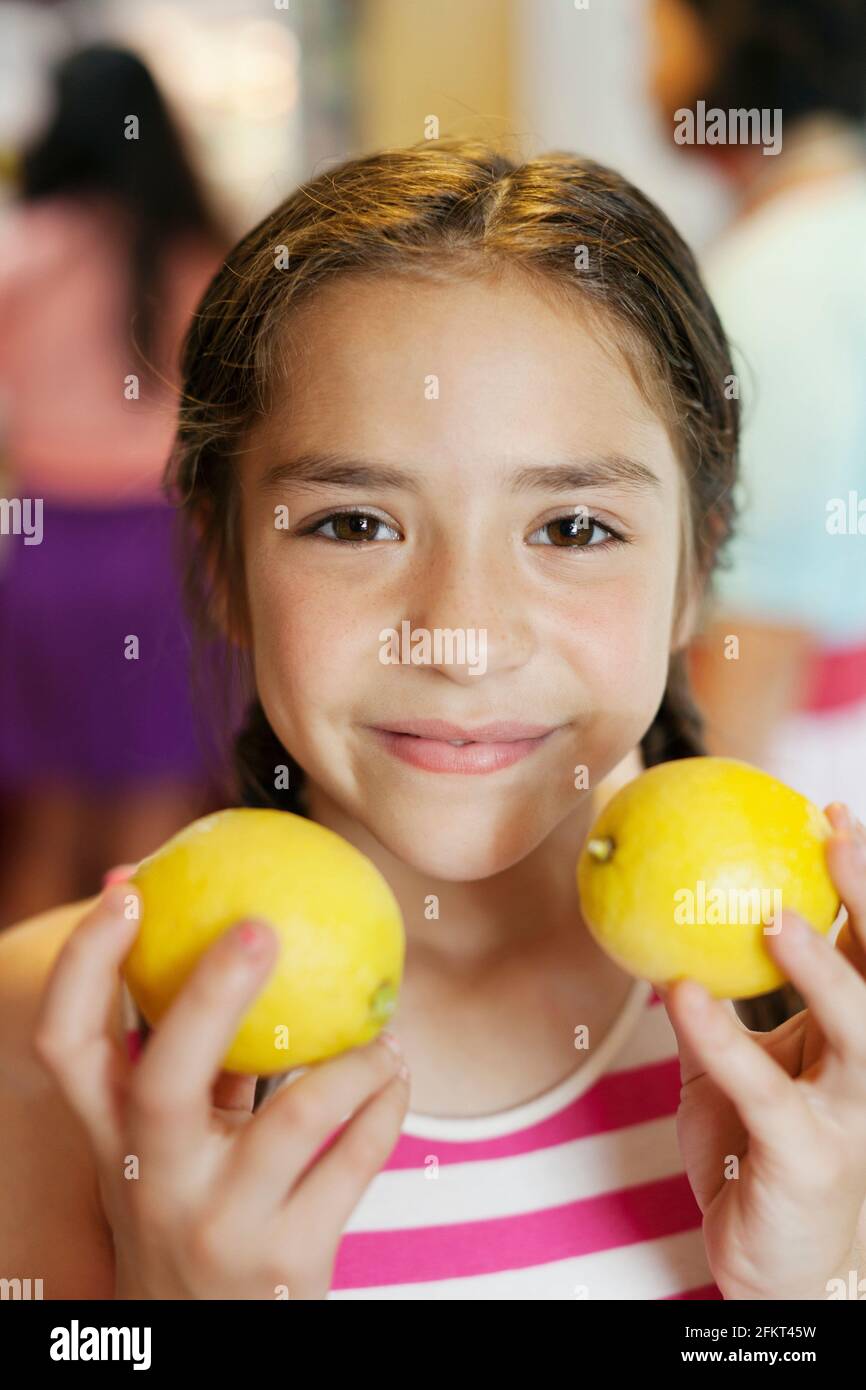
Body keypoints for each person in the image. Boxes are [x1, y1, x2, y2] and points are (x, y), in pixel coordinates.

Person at [1, 140, 865, 1301]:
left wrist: (809, 1292)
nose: (459, 637)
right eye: (354, 525)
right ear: (222, 564)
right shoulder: (48, 1046)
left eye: (571, 529)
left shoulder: (828, 1033)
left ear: (693, 574)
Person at [0, 45, 231, 925]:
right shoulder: (206, 254)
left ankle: (20, 1049)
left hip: (47, 550)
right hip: (164, 550)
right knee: (156, 834)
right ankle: (145, 1043)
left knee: (49, 824)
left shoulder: (26, 249)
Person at [647, 0, 866, 818]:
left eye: (659, 31)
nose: (648, 75)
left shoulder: (776, 284)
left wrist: (700, 846)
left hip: (788, 766)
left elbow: (759, 631)